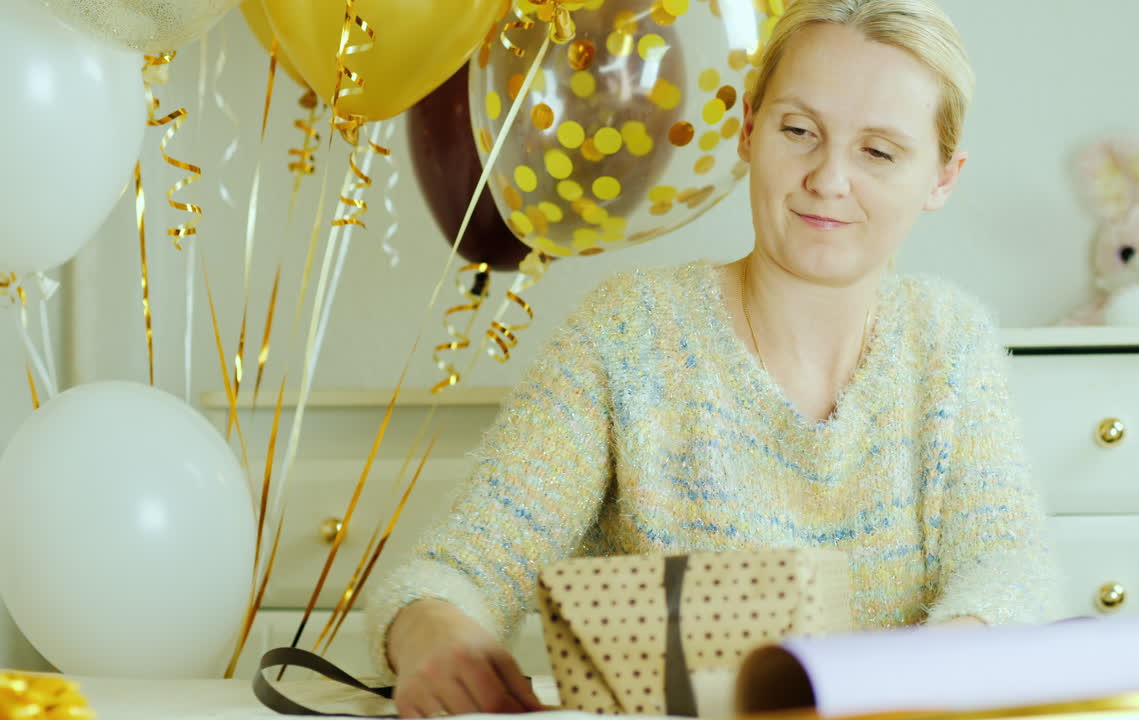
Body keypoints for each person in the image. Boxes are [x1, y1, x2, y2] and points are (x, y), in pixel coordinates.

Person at [369, 0, 1059, 716]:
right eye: (799, 131)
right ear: (749, 131)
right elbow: (457, 568)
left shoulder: (950, 340)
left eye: (879, 151)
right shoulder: (627, 334)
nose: (828, 178)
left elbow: (1008, 565)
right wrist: (432, 630)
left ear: (943, 176)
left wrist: (935, 660)